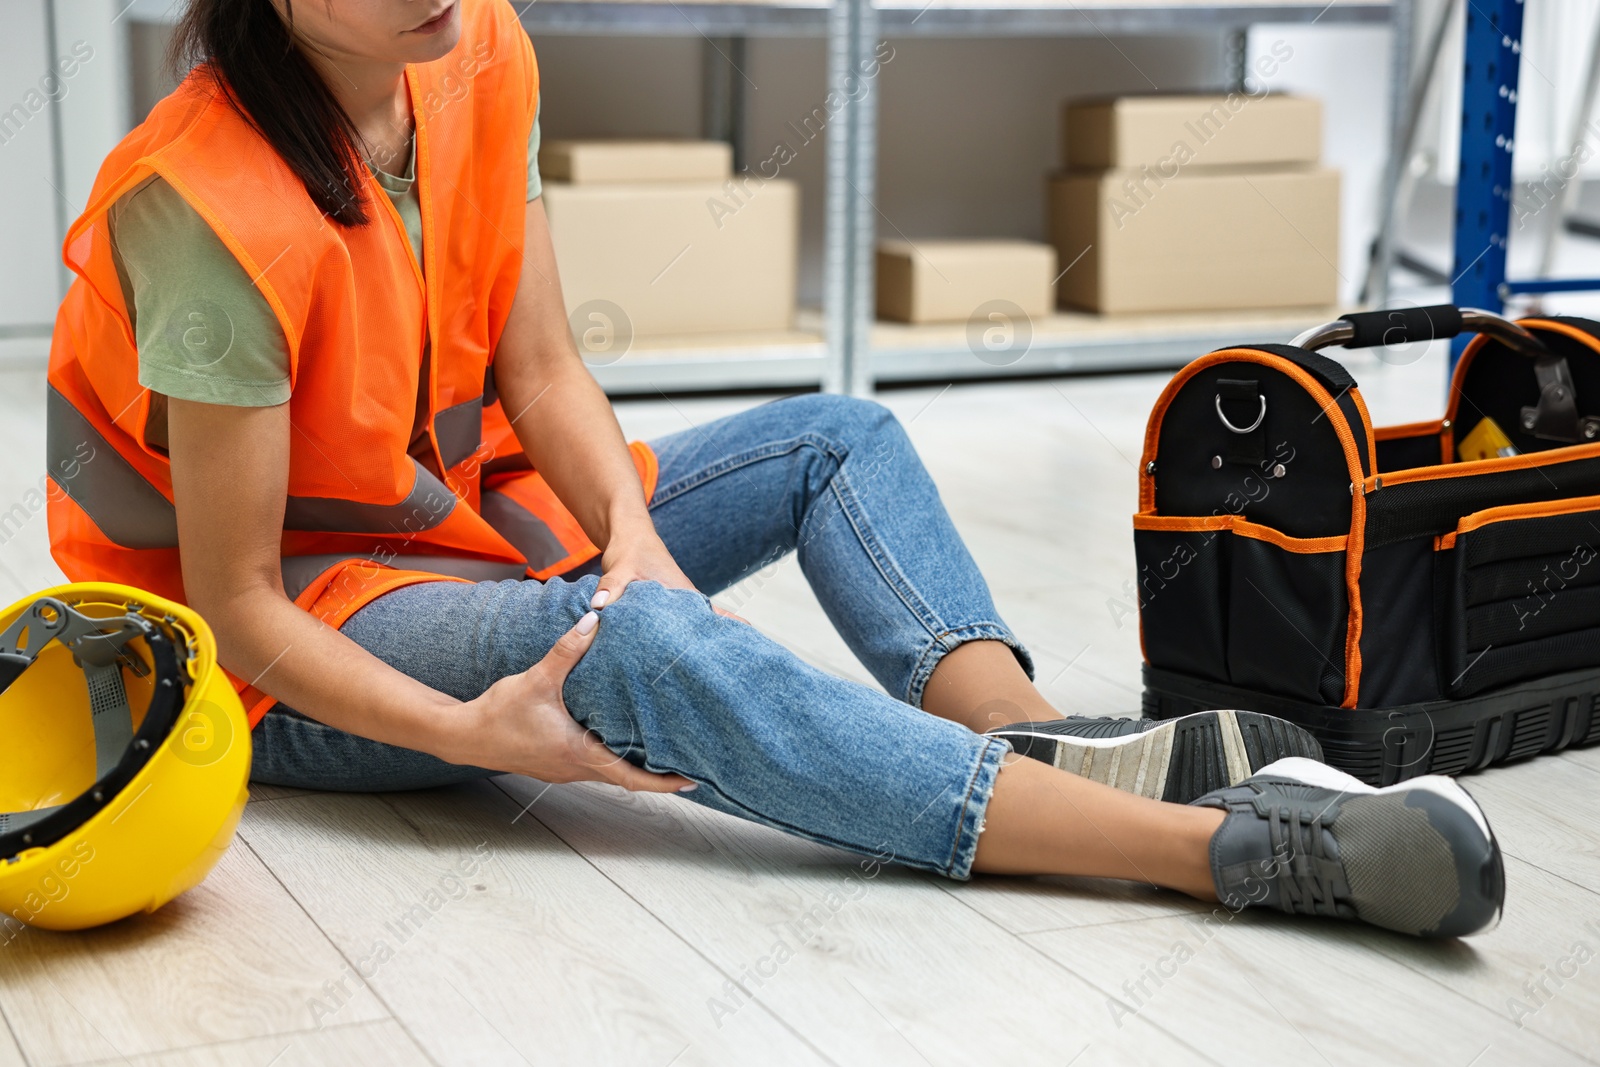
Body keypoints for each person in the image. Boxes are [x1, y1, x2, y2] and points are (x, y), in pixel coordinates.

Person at [45, 0, 1503, 939]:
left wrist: (633, 529)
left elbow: (541, 372)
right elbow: (238, 606)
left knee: (837, 434)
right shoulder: (207, 207)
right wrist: (482, 735)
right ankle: (1212, 853)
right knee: (648, 648)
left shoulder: (472, 47)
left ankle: (1030, 733)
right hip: (289, 649)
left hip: (455, 528)